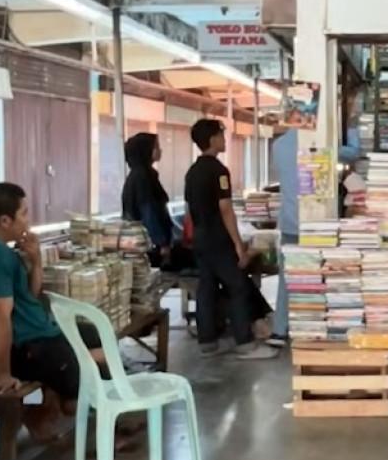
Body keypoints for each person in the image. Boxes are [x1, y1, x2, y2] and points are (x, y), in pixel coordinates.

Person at [0, 183, 105, 440]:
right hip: (27, 346)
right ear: (5, 220)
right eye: (24, 213)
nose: (28, 219)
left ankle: (57, 403)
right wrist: (3, 373)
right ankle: (95, 408)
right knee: (99, 360)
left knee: (93, 334)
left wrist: (35, 262)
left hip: (37, 333)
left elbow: (30, 297)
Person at [183, 119, 277, 359]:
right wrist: (238, 244)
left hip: (201, 239)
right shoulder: (219, 171)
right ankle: (245, 343)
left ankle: (208, 343)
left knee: (206, 289)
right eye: (222, 136)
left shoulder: (191, 172)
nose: (224, 140)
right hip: (218, 239)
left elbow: (189, 210)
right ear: (213, 139)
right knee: (237, 287)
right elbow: (225, 209)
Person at [120, 133, 175, 264]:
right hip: (147, 245)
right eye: (156, 146)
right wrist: (161, 242)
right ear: (145, 150)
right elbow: (149, 211)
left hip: (145, 243)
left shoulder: (142, 174)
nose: (160, 150)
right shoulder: (142, 177)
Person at [268, 129, 300, 348]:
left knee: (287, 278)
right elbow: (353, 153)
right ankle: (314, 327)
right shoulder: (323, 138)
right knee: (321, 276)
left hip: (289, 220)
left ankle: (280, 330)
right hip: (318, 221)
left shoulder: (278, 145)